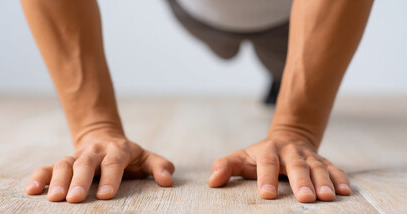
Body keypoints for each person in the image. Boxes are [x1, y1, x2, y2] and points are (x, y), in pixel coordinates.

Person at [22, 0, 374, 203]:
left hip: (291, 18)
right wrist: (94, 127)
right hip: (198, 15)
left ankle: (279, 75)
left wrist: (295, 128)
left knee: (278, 62)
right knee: (223, 48)